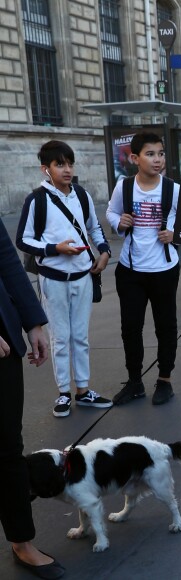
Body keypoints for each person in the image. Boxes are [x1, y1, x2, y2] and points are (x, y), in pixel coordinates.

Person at [16, 140, 112, 418]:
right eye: (60, 164)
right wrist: (54, 249)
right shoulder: (36, 200)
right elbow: (23, 239)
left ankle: (83, 390)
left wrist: (104, 252)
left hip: (83, 275)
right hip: (53, 278)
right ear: (45, 169)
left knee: (80, 336)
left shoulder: (81, 195)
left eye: (70, 164)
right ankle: (63, 393)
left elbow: (95, 228)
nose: (67, 169)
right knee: (60, 337)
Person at [0, 216, 65, 578]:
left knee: (8, 446)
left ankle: (21, 541)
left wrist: (33, 322)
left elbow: (5, 257)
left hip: (5, 340)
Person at [106, 132, 180, 406]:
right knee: (131, 327)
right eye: (150, 154)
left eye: (160, 153)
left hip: (164, 267)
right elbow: (111, 213)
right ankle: (135, 381)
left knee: (166, 326)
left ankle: (165, 380)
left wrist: (175, 232)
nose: (158, 159)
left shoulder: (173, 188)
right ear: (135, 158)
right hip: (130, 269)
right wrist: (120, 222)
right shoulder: (124, 187)